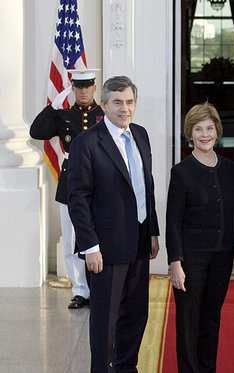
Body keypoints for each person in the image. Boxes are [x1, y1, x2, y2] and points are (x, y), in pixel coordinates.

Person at [67, 75, 160, 372]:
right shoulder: (87, 142)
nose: (125, 109)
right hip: (105, 250)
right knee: (105, 322)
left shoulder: (141, 135)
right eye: (117, 102)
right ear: (104, 104)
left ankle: (125, 367)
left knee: (136, 315)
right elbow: (78, 199)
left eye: (130, 102)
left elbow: (147, 186)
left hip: (139, 243)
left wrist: (153, 230)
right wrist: (90, 246)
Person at [166, 103, 234, 373]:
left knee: (211, 318)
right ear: (190, 134)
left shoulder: (231, 169)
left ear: (217, 131)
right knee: (188, 320)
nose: (204, 134)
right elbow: (173, 220)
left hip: (221, 256)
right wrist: (175, 263)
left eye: (209, 128)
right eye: (198, 129)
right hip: (191, 260)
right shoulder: (181, 171)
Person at [30, 68, 103, 309]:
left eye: (87, 85)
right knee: (72, 236)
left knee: (100, 235)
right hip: (70, 180)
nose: (83, 90)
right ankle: (81, 289)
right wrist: (53, 108)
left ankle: (100, 287)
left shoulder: (104, 114)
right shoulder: (64, 116)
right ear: (72, 88)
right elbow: (36, 131)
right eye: (78, 86)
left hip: (99, 181)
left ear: (94, 87)